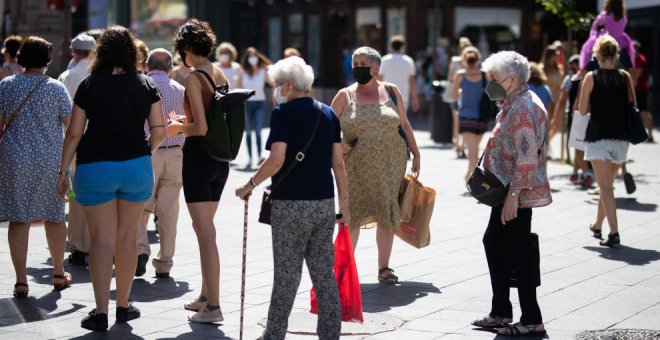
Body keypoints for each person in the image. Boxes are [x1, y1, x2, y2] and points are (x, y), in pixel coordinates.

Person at [57, 26, 165, 331]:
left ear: (100, 52)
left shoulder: (90, 85)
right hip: (135, 166)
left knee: (101, 241)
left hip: (95, 167)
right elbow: (158, 130)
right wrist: (145, 151)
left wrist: (63, 170)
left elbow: (75, 132)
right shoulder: (145, 84)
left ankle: (101, 311)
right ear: (132, 53)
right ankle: (124, 306)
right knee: (128, 238)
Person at [235, 55, 348, 340]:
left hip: (290, 204)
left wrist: (249, 184)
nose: (275, 90)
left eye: (276, 84)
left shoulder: (282, 114)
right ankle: (330, 333)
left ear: (287, 85)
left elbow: (276, 159)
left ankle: (274, 334)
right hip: (323, 202)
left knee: (287, 273)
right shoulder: (328, 113)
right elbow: (338, 162)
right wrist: (344, 202)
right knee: (324, 273)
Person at [471, 50, 551, 337]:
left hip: (515, 190)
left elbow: (527, 157)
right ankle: (501, 311)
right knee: (496, 242)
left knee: (517, 251)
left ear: (513, 78)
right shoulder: (513, 102)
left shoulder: (523, 108)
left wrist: (514, 196)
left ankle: (531, 318)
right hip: (507, 188)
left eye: (494, 78)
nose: (489, 83)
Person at [330, 46, 420, 284]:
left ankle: (384, 268)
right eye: (355, 64)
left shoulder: (391, 91)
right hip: (354, 167)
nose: (358, 68)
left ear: (376, 68)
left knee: (386, 212)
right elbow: (325, 128)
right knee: (353, 214)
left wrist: (416, 153)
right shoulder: (344, 95)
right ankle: (344, 269)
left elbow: (405, 124)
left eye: (363, 64)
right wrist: (339, 143)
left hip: (391, 164)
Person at [0, 36, 73, 299]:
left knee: (19, 218)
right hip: (50, 160)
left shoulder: (6, 86)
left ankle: (21, 281)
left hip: (14, 159)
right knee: (54, 215)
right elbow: (71, 126)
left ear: (20, 59)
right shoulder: (55, 88)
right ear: (48, 61)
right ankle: (57, 272)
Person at [167, 18, 229, 323]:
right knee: (206, 229)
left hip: (198, 159)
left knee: (205, 234)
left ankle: (213, 307)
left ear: (188, 48)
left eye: (182, 51)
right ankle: (206, 296)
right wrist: (188, 119)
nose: (182, 57)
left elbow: (200, 127)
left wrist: (178, 126)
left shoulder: (193, 78)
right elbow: (212, 119)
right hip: (219, 161)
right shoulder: (218, 72)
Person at [578, 34, 634, 247]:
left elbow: (583, 110)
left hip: (598, 135)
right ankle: (598, 225)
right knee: (607, 187)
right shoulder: (625, 77)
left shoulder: (591, 77)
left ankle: (614, 233)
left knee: (605, 188)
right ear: (616, 54)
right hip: (620, 138)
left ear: (597, 54)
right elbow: (633, 105)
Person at [136, 48, 185, 279]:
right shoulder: (180, 90)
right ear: (170, 69)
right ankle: (165, 261)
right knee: (168, 212)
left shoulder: (142, 86)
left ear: (147, 65)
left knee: (140, 207)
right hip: (175, 153)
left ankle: (140, 249)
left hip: (148, 152)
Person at [57, 33, 97, 266]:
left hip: (73, 140)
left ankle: (79, 246)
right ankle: (96, 241)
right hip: (99, 140)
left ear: (74, 52)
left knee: (76, 196)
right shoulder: (101, 74)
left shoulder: (67, 76)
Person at [553, 55, 593, 186]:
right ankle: (575, 173)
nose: (570, 67)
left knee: (577, 145)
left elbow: (562, 98)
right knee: (580, 145)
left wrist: (555, 116)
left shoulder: (571, 79)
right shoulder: (590, 77)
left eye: (573, 64)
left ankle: (586, 173)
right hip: (586, 115)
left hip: (575, 116)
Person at [451, 46, 487, 183]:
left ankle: (473, 179)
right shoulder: (485, 74)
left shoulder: (461, 75)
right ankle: (469, 174)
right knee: (475, 148)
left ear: (464, 60)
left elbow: (454, 96)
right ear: (478, 59)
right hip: (482, 117)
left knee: (472, 152)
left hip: (466, 116)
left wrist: (462, 93)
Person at [237, 47, 272, 167]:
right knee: (247, 132)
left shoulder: (263, 71)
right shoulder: (243, 71)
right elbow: (238, 88)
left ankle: (260, 156)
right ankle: (250, 158)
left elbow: (273, 82)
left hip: (260, 103)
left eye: (254, 55)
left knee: (257, 131)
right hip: (247, 104)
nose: (253, 58)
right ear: (247, 58)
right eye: (250, 56)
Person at [580, 0, 634, 71]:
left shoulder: (604, 16)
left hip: (605, 41)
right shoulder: (623, 18)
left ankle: (584, 71)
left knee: (587, 51)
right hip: (620, 43)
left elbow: (595, 28)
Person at [446, 37, 473, 158]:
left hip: (456, 93)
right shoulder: (472, 62)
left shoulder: (455, 60)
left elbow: (450, 78)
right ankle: (463, 145)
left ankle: (457, 145)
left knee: (456, 122)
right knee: (467, 121)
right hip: (469, 93)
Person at [378, 35, 419, 113]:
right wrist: (415, 98)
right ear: (402, 47)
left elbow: (379, 79)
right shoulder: (408, 61)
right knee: (400, 121)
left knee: (388, 122)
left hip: (387, 95)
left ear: (391, 46)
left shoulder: (384, 60)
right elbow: (412, 82)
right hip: (403, 96)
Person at [540, 46, 564, 154]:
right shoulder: (541, 69)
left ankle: (546, 142)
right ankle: (545, 144)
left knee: (557, 125)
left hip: (557, 99)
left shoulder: (559, 69)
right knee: (546, 124)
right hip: (546, 99)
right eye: (554, 55)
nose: (556, 58)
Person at [632, 41, 652, 142]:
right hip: (636, 89)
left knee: (644, 112)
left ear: (636, 49)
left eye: (632, 48)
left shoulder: (641, 59)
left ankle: (650, 135)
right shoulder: (634, 59)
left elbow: (637, 75)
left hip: (641, 89)